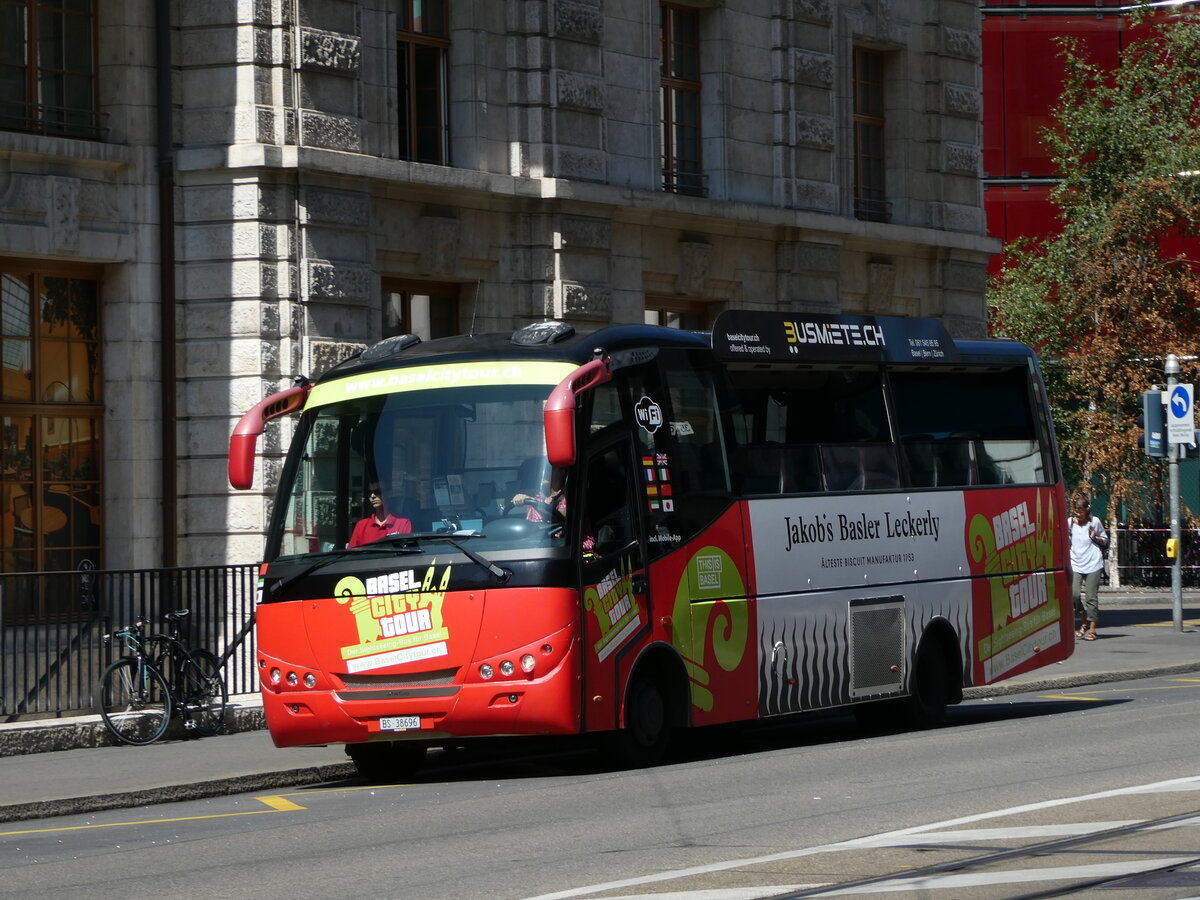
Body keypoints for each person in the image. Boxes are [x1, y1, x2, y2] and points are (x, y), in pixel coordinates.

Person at [1068, 496, 1108, 641]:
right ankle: (1083, 621)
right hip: (1076, 563)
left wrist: (1095, 537)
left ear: (1086, 510)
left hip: (1093, 563)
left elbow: (1105, 539)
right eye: (1076, 511)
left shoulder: (1094, 522)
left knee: (1091, 597)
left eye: (1081, 511)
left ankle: (1092, 629)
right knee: (1074, 595)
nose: (1078, 514)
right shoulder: (1070, 523)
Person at [510, 458, 566, 523]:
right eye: (538, 470)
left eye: (548, 469)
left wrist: (531, 500)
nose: (542, 473)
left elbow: (559, 517)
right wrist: (518, 498)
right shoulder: (535, 494)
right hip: (531, 531)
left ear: (561, 472)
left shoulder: (565, 498)